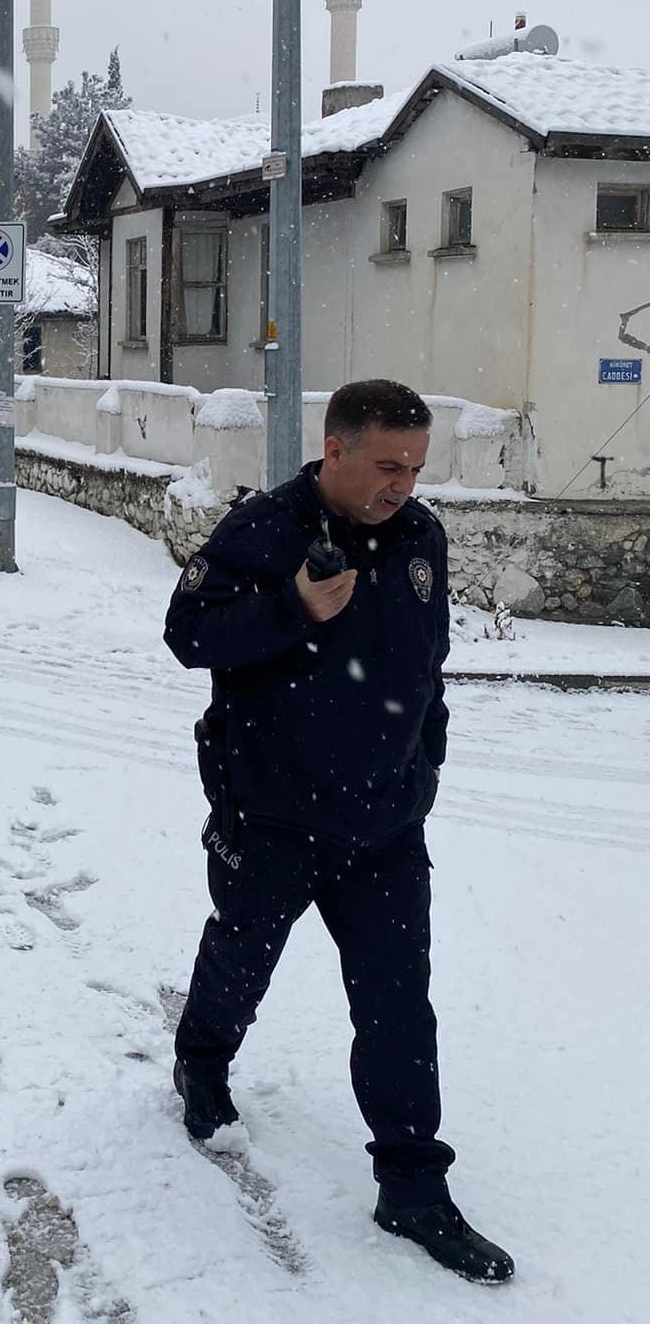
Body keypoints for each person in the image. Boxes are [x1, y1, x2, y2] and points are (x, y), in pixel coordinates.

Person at [163, 379, 513, 1285]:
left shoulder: (421, 536)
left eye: (416, 467)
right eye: (388, 465)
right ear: (335, 449)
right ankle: (202, 1060)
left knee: (398, 1005)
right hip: (274, 813)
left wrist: (422, 762)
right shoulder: (265, 531)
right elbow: (187, 634)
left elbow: (427, 665)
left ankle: (413, 1188)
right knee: (241, 959)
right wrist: (292, 611)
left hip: (385, 824)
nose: (403, 484)